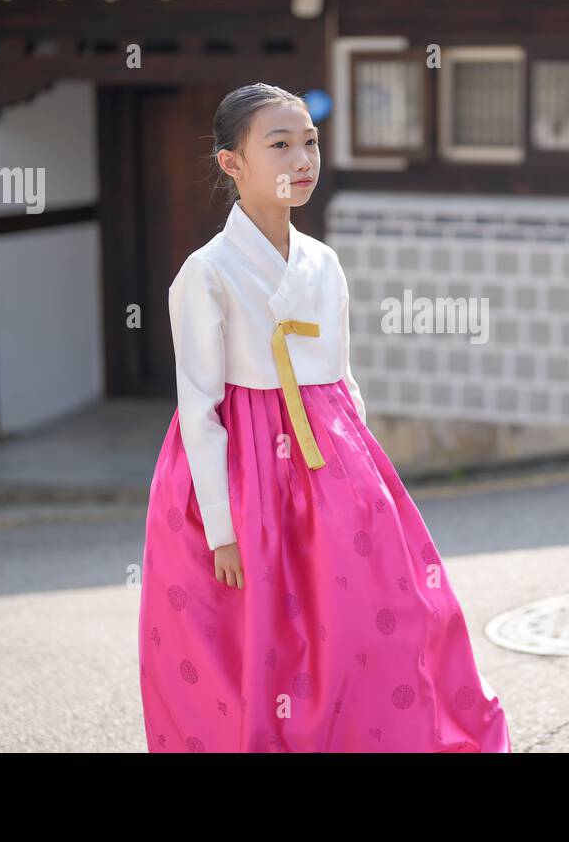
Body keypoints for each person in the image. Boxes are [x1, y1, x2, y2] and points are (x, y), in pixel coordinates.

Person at [137, 82, 512, 753]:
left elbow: (342, 380)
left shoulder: (324, 263)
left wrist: (364, 485)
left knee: (384, 616)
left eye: (308, 141)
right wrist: (221, 530)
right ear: (232, 163)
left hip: (331, 464)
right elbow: (199, 406)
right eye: (279, 145)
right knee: (262, 639)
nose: (301, 158)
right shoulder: (208, 273)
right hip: (245, 469)